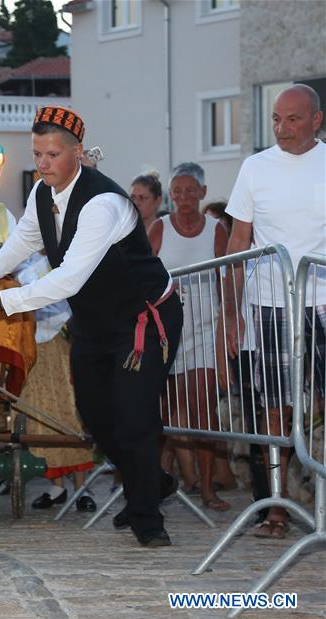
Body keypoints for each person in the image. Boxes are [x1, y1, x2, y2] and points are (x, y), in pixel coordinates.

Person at [0, 105, 182, 547]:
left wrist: (1, 303)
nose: (43, 163)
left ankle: (148, 520)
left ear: (78, 153)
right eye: (37, 154)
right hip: (94, 324)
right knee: (97, 417)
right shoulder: (41, 195)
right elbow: (20, 245)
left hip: (143, 322)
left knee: (133, 418)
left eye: (52, 154)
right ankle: (152, 481)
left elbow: (68, 277)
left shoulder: (103, 203)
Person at [222, 84, 325, 540]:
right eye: (277, 120)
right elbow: (236, 243)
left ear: (316, 121)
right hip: (268, 304)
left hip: (322, 304)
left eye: (293, 120)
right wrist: (230, 313)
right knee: (274, 408)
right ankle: (277, 508)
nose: (282, 129)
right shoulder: (254, 168)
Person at [148, 162, 231, 511]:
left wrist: (230, 324)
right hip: (166, 330)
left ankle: (208, 488)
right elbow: (144, 274)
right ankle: (158, 483)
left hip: (203, 329)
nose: (182, 198)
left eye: (188, 191)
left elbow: (226, 279)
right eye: (176, 191)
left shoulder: (216, 229)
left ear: (202, 193)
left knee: (204, 410)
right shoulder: (159, 228)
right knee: (163, 411)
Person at [17, 252, 96, 512]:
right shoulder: (23, 260)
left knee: (73, 410)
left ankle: (83, 486)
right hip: (35, 343)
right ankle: (58, 485)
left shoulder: (71, 253)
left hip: (66, 340)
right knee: (43, 414)